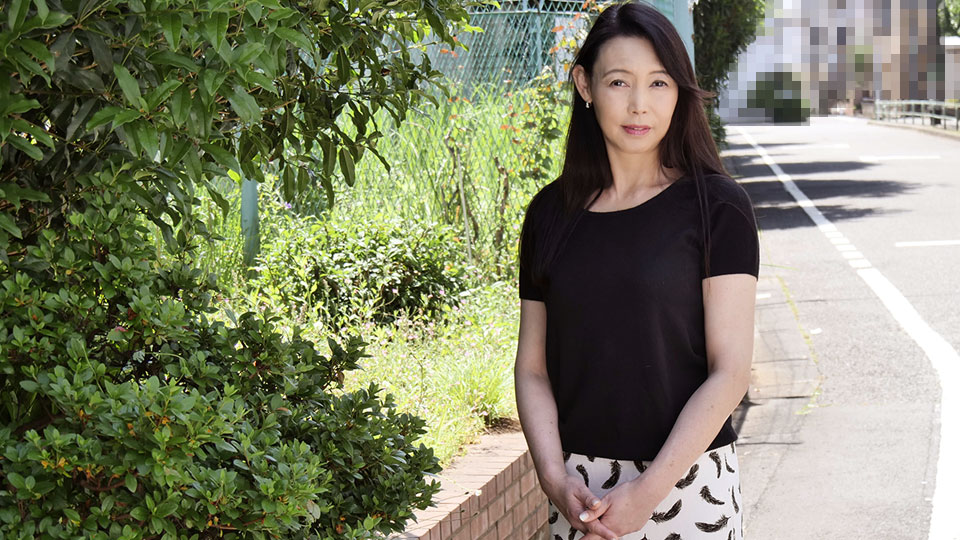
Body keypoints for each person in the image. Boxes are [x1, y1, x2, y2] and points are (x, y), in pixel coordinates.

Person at [514, 2, 759, 539]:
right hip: (581, 496)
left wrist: (648, 492)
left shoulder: (718, 207)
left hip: (690, 485)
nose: (639, 104)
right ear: (585, 84)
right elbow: (532, 369)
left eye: (659, 83)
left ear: (679, 92)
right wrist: (554, 478)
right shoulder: (549, 215)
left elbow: (730, 371)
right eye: (619, 81)